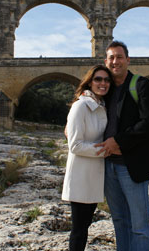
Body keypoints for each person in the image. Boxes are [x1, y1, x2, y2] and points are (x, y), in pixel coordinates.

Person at [95, 41, 149, 251]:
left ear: (127, 59)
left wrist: (119, 142)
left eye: (119, 57)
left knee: (140, 222)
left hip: (132, 164)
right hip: (109, 165)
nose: (115, 61)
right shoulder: (104, 89)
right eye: (111, 58)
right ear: (106, 62)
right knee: (119, 220)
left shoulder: (142, 85)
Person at [62, 65, 112, 251]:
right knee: (79, 230)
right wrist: (105, 150)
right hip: (81, 177)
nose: (103, 83)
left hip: (93, 176)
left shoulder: (102, 105)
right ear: (90, 82)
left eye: (106, 80)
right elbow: (74, 145)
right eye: (98, 79)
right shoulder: (80, 106)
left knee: (84, 227)